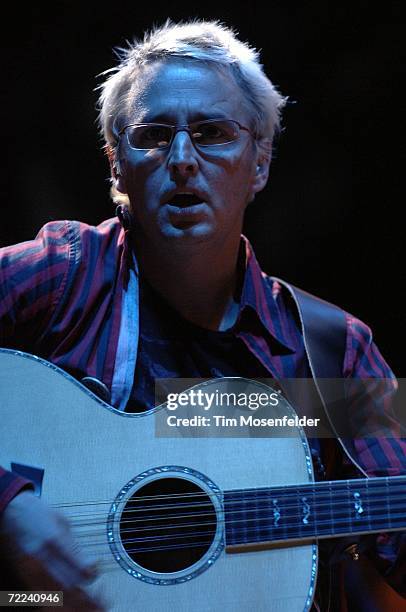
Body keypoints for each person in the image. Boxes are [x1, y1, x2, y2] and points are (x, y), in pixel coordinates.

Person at [0, 19, 404, 611]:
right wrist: (9, 504)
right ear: (117, 167)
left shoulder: (329, 349)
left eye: (213, 133)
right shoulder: (64, 278)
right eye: (155, 135)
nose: (184, 159)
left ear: (259, 164)